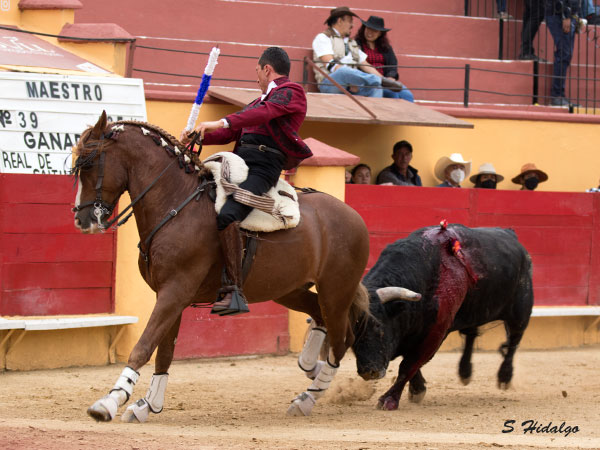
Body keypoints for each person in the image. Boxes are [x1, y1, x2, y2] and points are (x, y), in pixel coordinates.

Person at [180, 47, 312, 316]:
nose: (257, 78)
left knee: (228, 215)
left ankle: (234, 290)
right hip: (239, 163)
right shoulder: (257, 102)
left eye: (257, 72)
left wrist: (220, 121)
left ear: (267, 69)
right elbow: (234, 130)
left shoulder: (290, 92)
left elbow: (260, 116)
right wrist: (198, 136)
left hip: (263, 168)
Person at [311, 6, 404, 97]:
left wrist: (384, 80)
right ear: (340, 21)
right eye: (350, 21)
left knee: (375, 86)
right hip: (330, 84)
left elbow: (366, 65)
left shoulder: (352, 42)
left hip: (352, 86)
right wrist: (351, 79)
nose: (352, 25)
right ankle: (377, 80)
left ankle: (374, 107)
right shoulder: (323, 38)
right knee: (343, 70)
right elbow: (330, 65)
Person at [354, 15, 414, 102]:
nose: (369, 33)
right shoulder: (356, 44)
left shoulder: (385, 47)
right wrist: (384, 81)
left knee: (407, 95)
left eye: (374, 31)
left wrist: (390, 78)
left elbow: (392, 64)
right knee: (393, 94)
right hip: (370, 80)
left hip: (387, 79)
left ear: (380, 33)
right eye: (368, 29)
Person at [545, 0, 582, 106]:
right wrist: (566, 15)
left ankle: (559, 95)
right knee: (564, 53)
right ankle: (557, 96)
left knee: (566, 54)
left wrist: (575, 15)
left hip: (567, 14)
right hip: (559, 14)